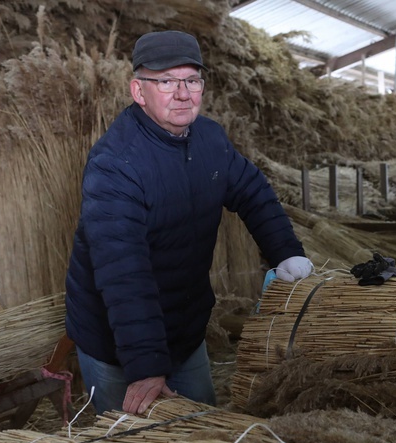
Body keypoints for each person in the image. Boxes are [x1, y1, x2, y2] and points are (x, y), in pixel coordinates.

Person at [64, 30, 313, 415]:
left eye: (192, 80)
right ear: (138, 91)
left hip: (184, 327)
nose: (183, 93)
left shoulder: (210, 139)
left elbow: (252, 192)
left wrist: (287, 254)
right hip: (117, 340)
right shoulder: (115, 165)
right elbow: (123, 273)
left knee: (202, 424)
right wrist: (145, 367)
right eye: (166, 81)